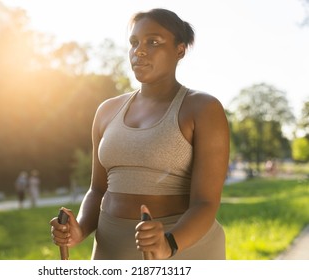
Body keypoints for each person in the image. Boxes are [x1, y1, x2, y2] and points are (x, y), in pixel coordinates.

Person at [50, 8, 229, 260]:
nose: (139, 50)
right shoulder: (106, 110)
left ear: (180, 50)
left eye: (153, 42)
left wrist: (168, 244)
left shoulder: (202, 108)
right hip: (109, 250)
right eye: (134, 43)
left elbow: (206, 203)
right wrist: (79, 230)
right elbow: (97, 189)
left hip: (181, 248)